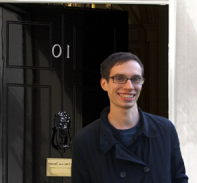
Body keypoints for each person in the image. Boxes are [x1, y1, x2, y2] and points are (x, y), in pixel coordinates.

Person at [71, 52, 188, 183]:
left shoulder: (165, 130)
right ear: (104, 84)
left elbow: (179, 179)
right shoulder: (85, 140)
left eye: (136, 79)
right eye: (120, 78)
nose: (129, 86)